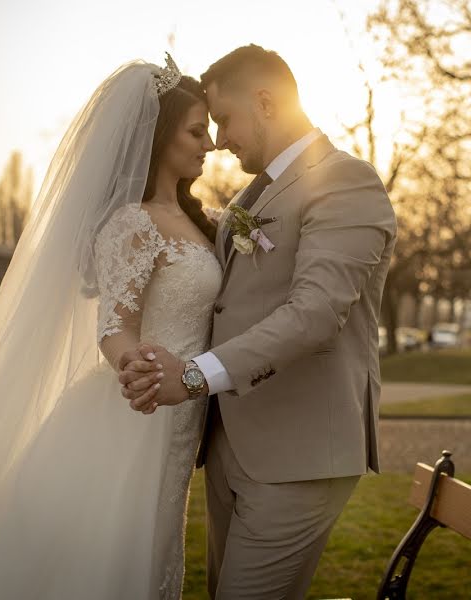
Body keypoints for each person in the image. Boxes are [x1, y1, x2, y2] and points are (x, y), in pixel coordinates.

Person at [0, 55, 218, 599]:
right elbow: (114, 326)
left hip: (182, 420)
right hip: (137, 412)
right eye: (197, 130)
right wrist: (137, 368)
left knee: (150, 553)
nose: (210, 144)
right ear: (158, 135)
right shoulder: (132, 222)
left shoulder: (202, 222)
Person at [120, 45, 397, 599]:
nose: (219, 139)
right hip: (231, 444)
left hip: (299, 452)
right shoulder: (253, 194)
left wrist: (194, 376)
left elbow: (315, 314)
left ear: (266, 102)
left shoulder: (345, 180)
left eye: (223, 119)